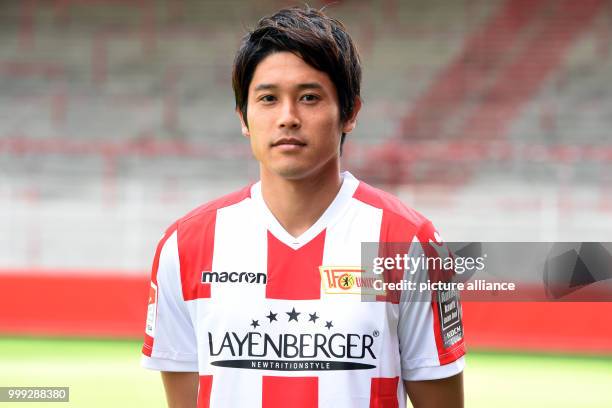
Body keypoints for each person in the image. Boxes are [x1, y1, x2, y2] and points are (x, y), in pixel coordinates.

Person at [141, 5, 465, 408]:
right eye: (268, 99)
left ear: (349, 113)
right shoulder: (185, 246)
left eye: (309, 97)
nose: (288, 117)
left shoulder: (410, 243)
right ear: (243, 116)